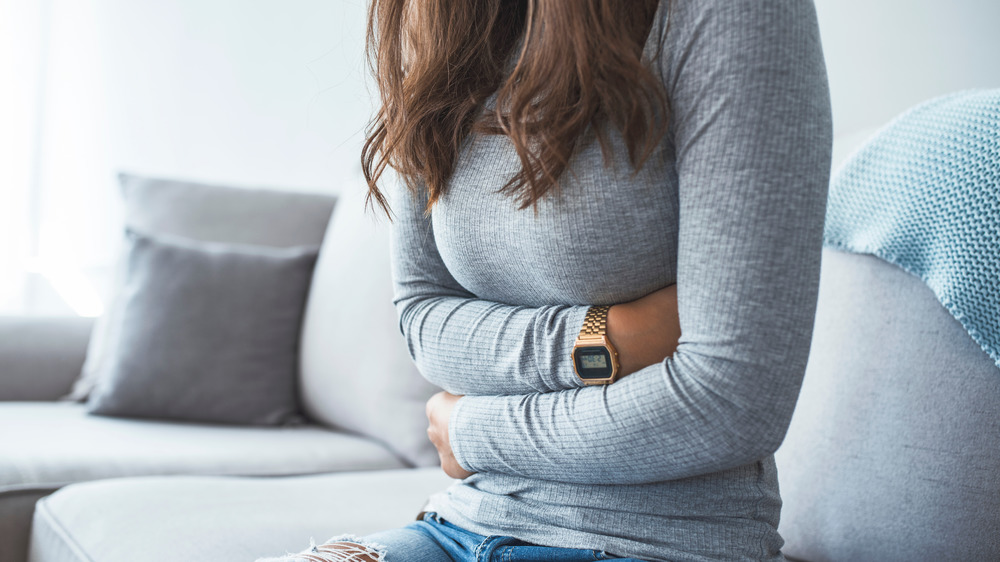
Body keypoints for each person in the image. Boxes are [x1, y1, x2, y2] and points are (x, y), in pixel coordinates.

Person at [263, 0, 832, 560]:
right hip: (459, 523)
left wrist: (471, 431)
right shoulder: (435, 21)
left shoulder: (730, 12)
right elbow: (422, 316)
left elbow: (731, 405)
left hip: (660, 543)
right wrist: (608, 336)